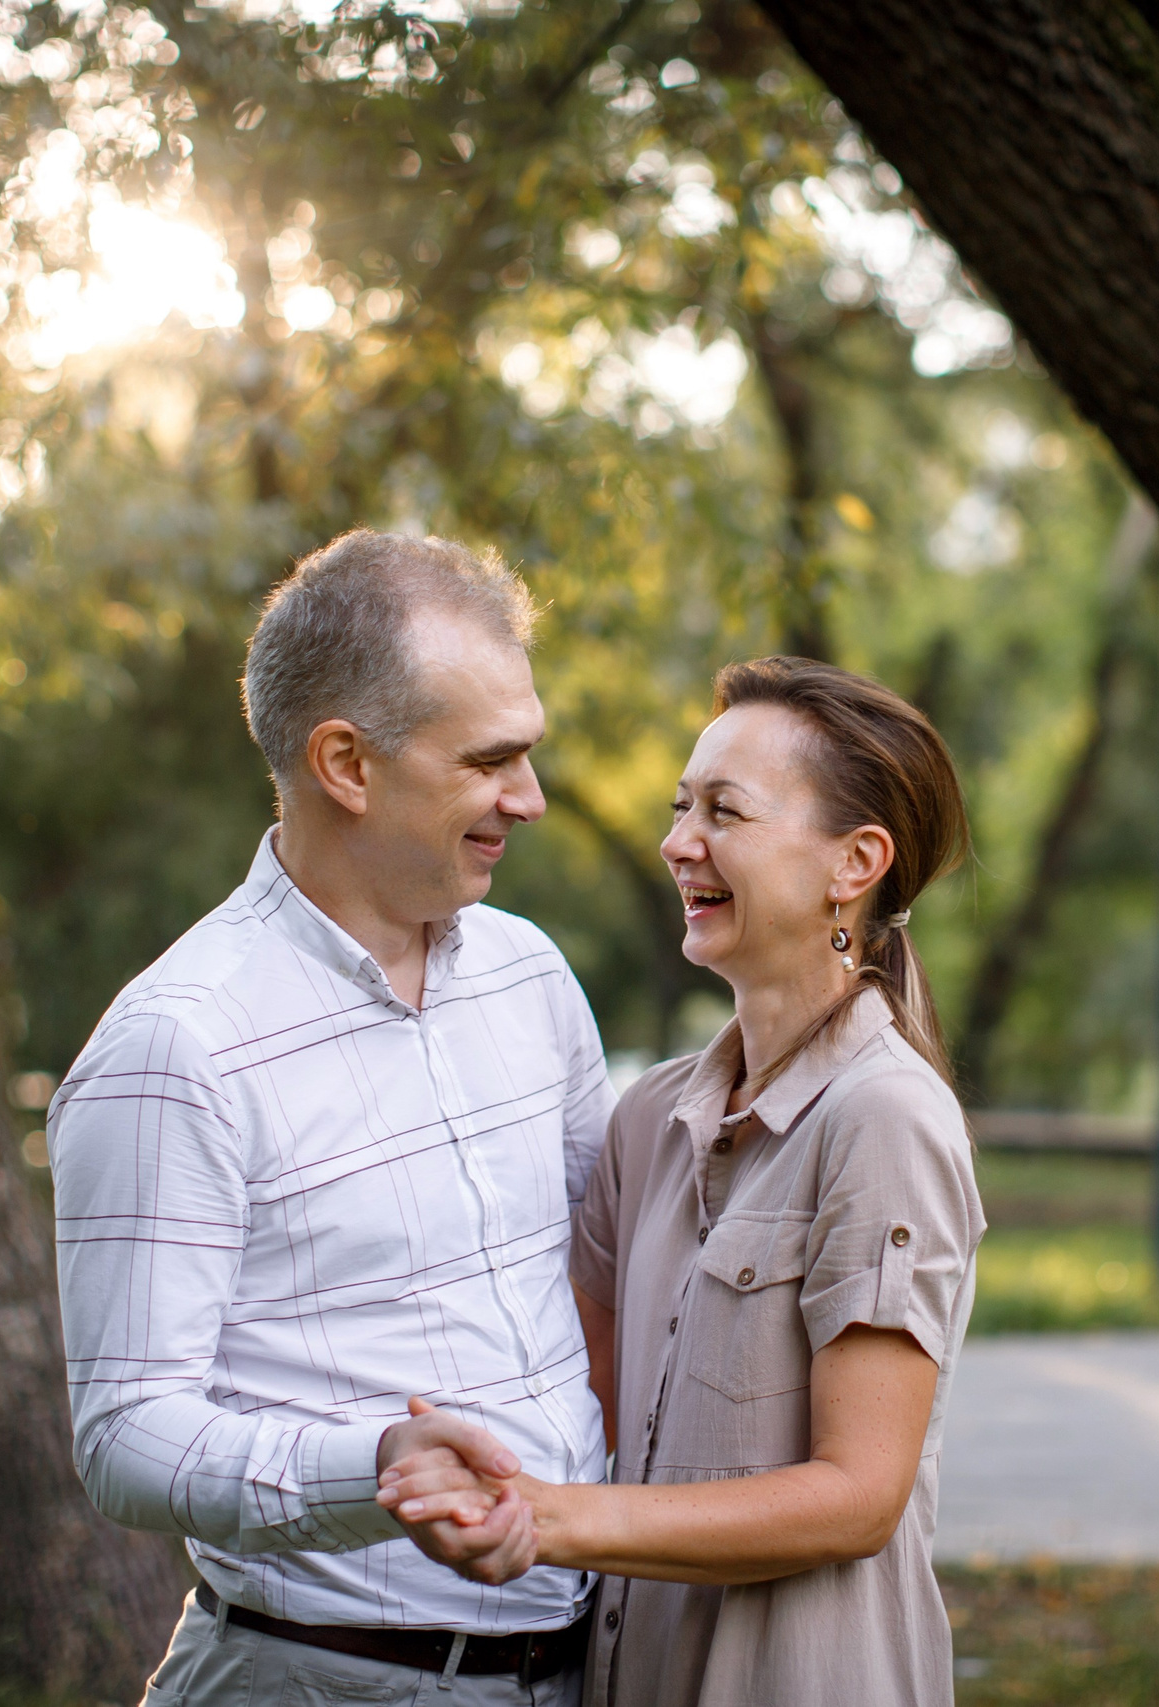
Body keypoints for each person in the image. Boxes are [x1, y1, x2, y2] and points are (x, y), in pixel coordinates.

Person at [49, 531, 613, 1706]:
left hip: (577, 1671)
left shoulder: (530, 977)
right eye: (490, 761)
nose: (532, 798)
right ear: (346, 765)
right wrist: (375, 1471)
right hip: (323, 1682)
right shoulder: (178, 1045)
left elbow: (594, 1277)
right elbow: (127, 1438)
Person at [378, 657, 986, 1707]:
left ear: (856, 862)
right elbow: (588, 1410)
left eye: (724, 811)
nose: (677, 842)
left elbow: (858, 1497)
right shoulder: (649, 1122)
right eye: (678, 807)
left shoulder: (884, 1119)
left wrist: (551, 1519)